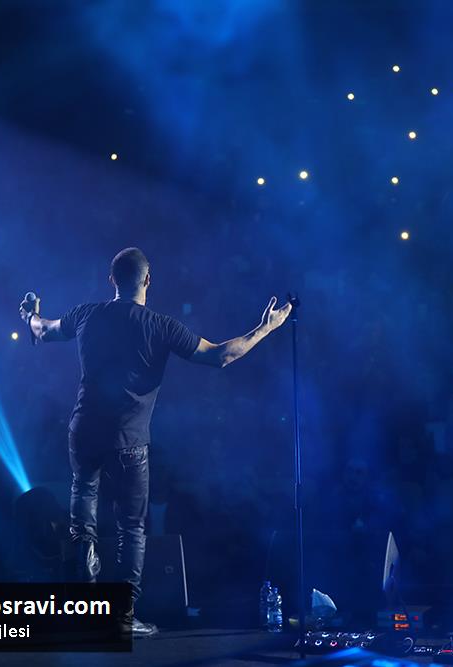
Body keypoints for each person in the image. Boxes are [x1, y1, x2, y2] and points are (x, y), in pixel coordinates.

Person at [19, 247, 292, 636]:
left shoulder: (86, 314)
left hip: (83, 431)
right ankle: (122, 617)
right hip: (128, 440)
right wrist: (267, 328)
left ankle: (84, 594)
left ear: (111, 280)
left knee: (84, 515)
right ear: (148, 280)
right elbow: (221, 356)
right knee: (131, 528)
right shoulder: (161, 326)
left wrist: (30, 314)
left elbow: (43, 330)